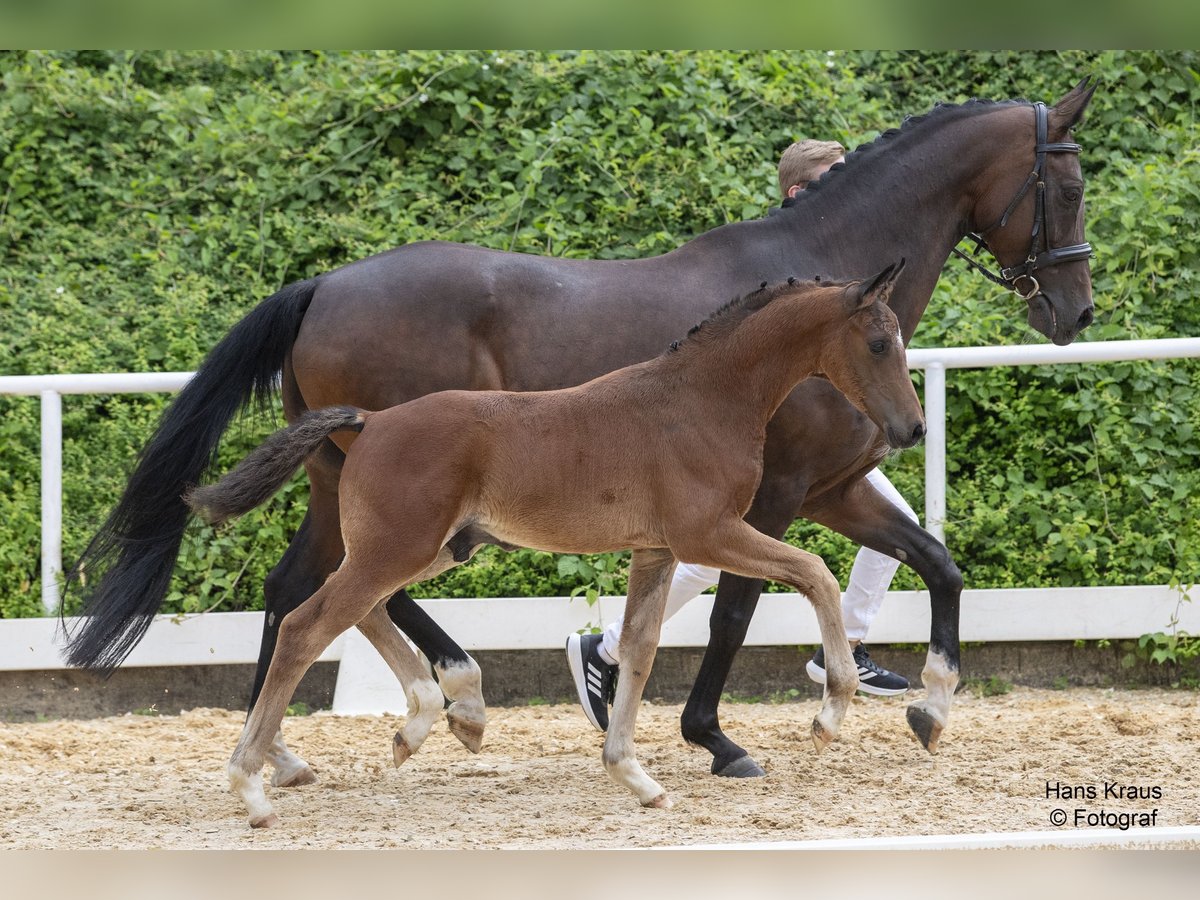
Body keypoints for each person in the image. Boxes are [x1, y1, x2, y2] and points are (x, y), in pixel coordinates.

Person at [566, 139, 917, 732]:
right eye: (834, 178)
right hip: (760, 437)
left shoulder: (831, 261)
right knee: (707, 550)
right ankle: (606, 650)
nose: (849, 190)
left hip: (814, 441)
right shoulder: (773, 263)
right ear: (798, 193)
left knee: (893, 525)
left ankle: (848, 642)